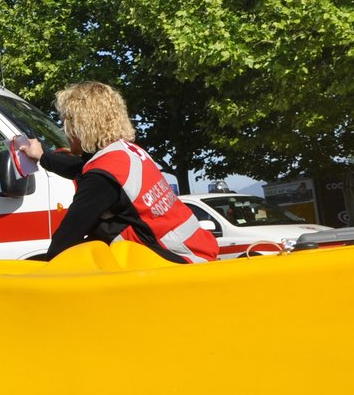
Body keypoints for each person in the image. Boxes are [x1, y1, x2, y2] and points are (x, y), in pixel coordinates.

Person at [18, 81, 218, 264]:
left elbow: (63, 243)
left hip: (176, 264)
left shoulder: (100, 178)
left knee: (96, 241)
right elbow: (81, 169)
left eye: (67, 122)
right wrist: (42, 155)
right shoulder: (127, 153)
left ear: (80, 127)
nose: (65, 130)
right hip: (197, 251)